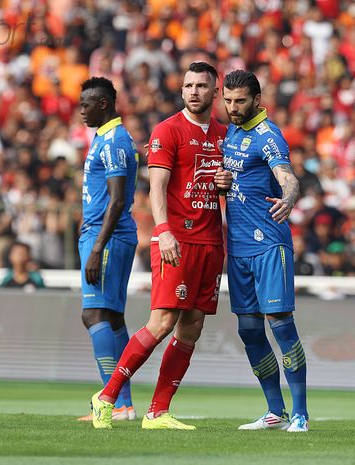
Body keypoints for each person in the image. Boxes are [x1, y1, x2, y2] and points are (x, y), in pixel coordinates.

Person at [90, 62, 226, 430]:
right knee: (162, 322)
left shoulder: (223, 135)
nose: (194, 91)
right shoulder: (168, 130)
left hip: (211, 242)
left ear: (216, 92)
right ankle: (107, 396)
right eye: (188, 85)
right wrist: (163, 230)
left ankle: (158, 411)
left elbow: (222, 187)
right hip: (175, 240)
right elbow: (157, 188)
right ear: (182, 91)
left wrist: (226, 182)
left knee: (192, 327)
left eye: (201, 86)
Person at [215, 70, 308, 432]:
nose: (233, 108)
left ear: (257, 99)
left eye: (240, 101)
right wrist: (224, 182)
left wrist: (288, 198)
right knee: (250, 331)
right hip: (237, 248)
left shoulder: (268, 136)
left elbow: (287, 176)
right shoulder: (233, 132)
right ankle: (275, 410)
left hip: (269, 244)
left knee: (281, 326)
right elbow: (236, 181)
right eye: (228, 100)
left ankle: (300, 413)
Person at [77, 77, 138, 422]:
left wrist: (98, 246)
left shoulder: (114, 139)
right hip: (106, 234)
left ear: (104, 103)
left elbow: (116, 200)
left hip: (109, 237)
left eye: (87, 104)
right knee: (112, 317)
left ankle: (111, 401)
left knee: (93, 314)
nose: (81, 111)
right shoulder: (106, 137)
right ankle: (123, 403)